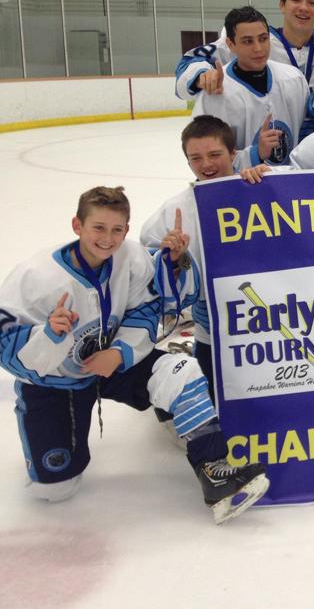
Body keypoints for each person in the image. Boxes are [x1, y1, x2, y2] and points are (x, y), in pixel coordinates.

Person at [0, 186, 268, 523]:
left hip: (112, 364)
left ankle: (213, 468)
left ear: (127, 229)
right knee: (55, 488)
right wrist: (49, 337)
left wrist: (119, 352)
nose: (107, 238)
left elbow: (148, 307)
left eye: (117, 229)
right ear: (77, 225)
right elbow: (6, 344)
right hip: (57, 381)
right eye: (98, 227)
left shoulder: (131, 257)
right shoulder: (36, 277)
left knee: (181, 369)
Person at [139, 115, 270, 396]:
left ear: (233, 154)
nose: (206, 164)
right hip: (212, 335)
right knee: (211, 407)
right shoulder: (176, 210)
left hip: (274, 332)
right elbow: (148, 258)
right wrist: (171, 258)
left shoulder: (261, 187)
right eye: (195, 158)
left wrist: (273, 183)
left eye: (214, 154)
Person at [181, 6, 311, 169]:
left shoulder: (294, 78)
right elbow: (205, 158)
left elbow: (308, 134)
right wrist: (255, 154)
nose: (258, 48)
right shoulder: (215, 93)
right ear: (230, 44)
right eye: (248, 41)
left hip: (290, 182)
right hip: (240, 184)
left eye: (263, 39)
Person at [174, 0, 314, 100]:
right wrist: (201, 75)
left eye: (312, 2)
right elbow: (189, 60)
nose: (304, 8)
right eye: (296, 0)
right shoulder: (256, 41)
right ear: (282, 5)